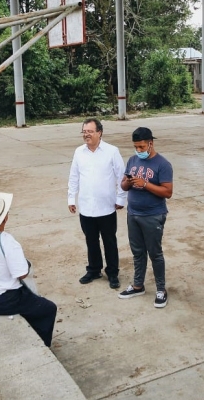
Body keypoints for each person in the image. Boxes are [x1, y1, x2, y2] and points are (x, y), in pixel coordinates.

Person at [0, 192, 57, 347]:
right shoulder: (7, 241)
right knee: (48, 308)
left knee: (34, 303)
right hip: (6, 300)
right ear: (5, 217)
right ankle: (43, 344)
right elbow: (22, 274)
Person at [68, 118, 127, 289]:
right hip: (86, 207)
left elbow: (121, 177)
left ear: (99, 132)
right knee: (91, 240)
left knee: (109, 241)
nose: (86, 134)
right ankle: (94, 269)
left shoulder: (111, 151)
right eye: (84, 131)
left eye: (90, 131)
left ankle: (113, 273)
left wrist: (120, 198)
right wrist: (71, 199)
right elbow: (74, 177)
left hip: (107, 207)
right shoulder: (79, 152)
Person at [118, 127, 173, 308]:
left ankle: (161, 289)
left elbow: (167, 192)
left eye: (142, 147)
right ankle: (138, 285)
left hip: (153, 215)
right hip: (133, 213)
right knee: (137, 252)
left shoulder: (163, 164)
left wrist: (145, 184)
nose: (138, 151)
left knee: (155, 253)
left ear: (151, 143)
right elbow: (124, 186)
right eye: (136, 147)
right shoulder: (132, 160)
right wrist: (127, 181)